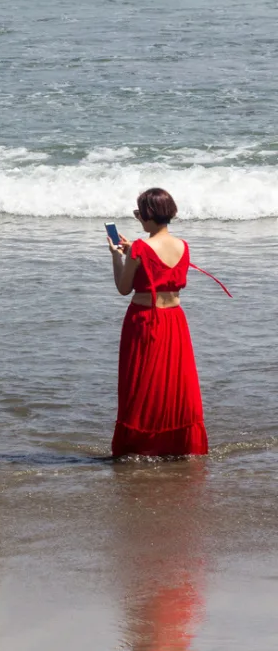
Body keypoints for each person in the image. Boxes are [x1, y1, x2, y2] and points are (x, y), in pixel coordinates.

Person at [108, 187, 230, 457]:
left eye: (139, 213)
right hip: (175, 321)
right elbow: (160, 265)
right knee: (174, 385)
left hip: (145, 322)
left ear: (148, 215)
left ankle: (139, 447)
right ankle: (178, 446)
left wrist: (117, 255)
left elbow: (123, 287)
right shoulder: (182, 245)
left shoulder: (140, 247)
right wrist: (132, 252)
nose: (138, 218)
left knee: (139, 385)